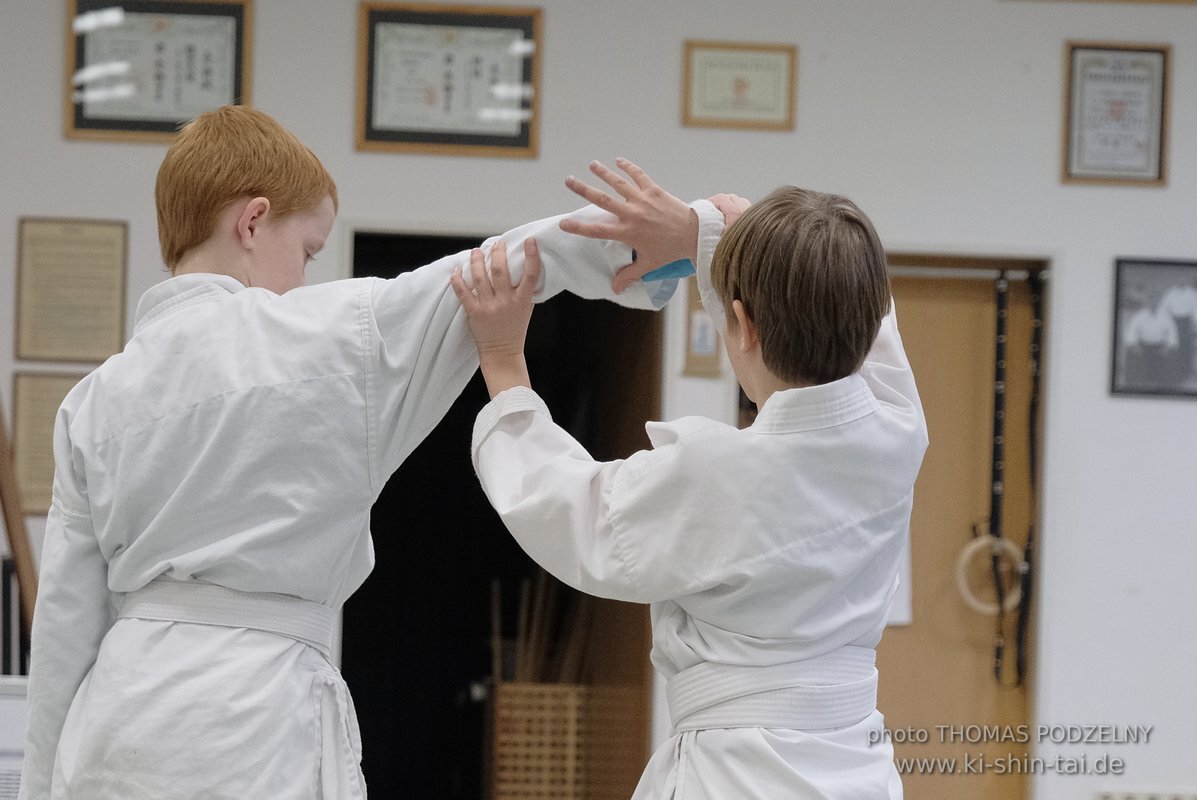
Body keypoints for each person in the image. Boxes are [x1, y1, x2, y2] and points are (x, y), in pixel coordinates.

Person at [19, 108, 721, 799]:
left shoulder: (92, 401)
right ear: (253, 221)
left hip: (114, 728)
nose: (304, 279)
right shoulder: (325, 334)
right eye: (309, 251)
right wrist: (689, 236)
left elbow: (62, 632)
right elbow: (500, 265)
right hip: (243, 728)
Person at [453, 160, 928, 799]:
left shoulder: (719, 477)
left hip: (738, 776)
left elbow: (568, 509)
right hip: (857, 769)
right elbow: (862, 305)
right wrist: (707, 233)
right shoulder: (898, 432)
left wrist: (504, 362)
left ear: (742, 326)